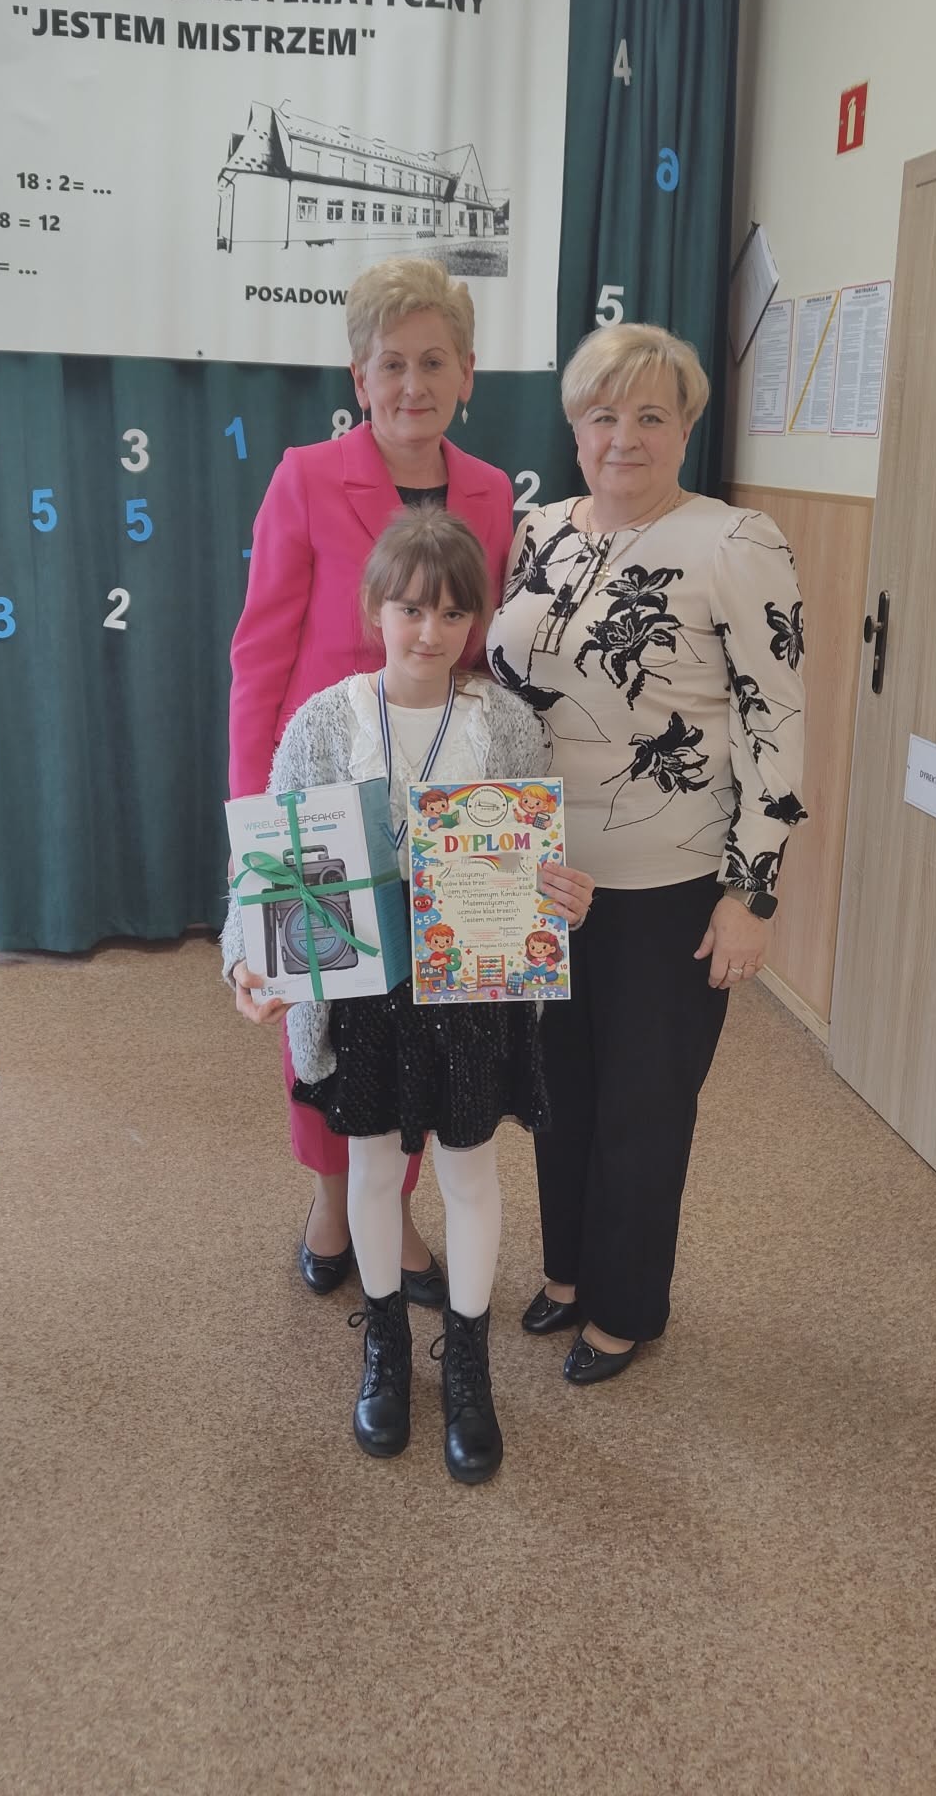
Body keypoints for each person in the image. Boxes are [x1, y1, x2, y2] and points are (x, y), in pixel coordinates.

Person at [223, 509, 593, 1481]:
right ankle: (385, 1343)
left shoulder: (504, 724)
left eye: (453, 613)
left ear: (476, 621)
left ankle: (467, 1361)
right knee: (375, 1168)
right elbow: (269, 869)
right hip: (365, 994)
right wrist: (250, 959)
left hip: (471, 992)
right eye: (411, 609)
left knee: (469, 1171)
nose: (431, 632)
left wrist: (564, 894)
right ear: (374, 608)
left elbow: (537, 864)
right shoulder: (324, 722)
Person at [487, 323, 807, 1384]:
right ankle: (569, 1271)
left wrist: (751, 893)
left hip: (671, 882)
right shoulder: (540, 530)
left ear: (686, 427)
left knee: (644, 1103)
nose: (624, 436)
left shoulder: (737, 541)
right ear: (576, 428)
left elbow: (776, 724)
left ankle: (623, 1307)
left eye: (651, 415)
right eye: (603, 415)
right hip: (543, 875)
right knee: (559, 1091)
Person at [228, 259, 516, 1304]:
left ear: (467, 374)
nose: (412, 384)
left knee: (428, 1025)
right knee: (327, 1018)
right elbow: (260, 656)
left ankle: (391, 1206)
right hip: (322, 795)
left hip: (441, 801)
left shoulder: (491, 493)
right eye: (391, 363)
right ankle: (336, 1200)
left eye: (434, 361)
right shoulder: (305, 478)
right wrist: (254, 829)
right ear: (359, 376)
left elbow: (484, 659)